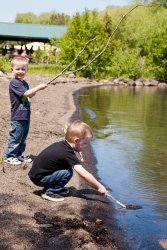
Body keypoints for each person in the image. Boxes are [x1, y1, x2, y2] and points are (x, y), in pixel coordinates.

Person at [28, 120, 107, 202]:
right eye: (85, 143)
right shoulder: (67, 153)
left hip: (37, 174)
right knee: (68, 172)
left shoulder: (63, 145)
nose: (86, 146)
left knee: (67, 166)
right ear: (76, 141)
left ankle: (56, 187)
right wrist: (99, 186)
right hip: (39, 178)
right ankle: (49, 191)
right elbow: (84, 174)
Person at [4, 55, 47, 165]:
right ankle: (9, 156)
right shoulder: (14, 82)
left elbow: (27, 96)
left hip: (25, 115)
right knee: (16, 137)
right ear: (12, 69)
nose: (20, 71)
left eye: (23, 69)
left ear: (27, 70)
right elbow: (26, 93)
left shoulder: (24, 83)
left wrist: (34, 92)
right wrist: (38, 87)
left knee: (22, 138)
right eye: (17, 69)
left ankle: (19, 156)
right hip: (18, 115)